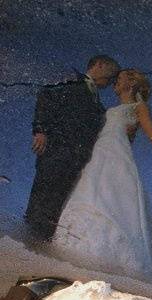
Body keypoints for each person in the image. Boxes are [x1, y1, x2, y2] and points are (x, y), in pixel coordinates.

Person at [51, 69, 152, 275]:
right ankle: (78, 250)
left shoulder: (138, 107)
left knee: (111, 197)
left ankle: (112, 259)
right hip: (97, 152)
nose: (115, 82)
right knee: (88, 192)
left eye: (120, 78)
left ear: (130, 83)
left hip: (116, 154)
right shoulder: (110, 109)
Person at [24, 55, 121, 241]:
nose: (111, 81)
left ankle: (43, 242)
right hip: (56, 151)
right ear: (99, 65)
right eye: (111, 74)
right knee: (43, 198)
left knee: (58, 203)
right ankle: (30, 240)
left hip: (77, 159)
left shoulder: (98, 103)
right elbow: (47, 97)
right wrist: (40, 130)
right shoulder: (70, 80)